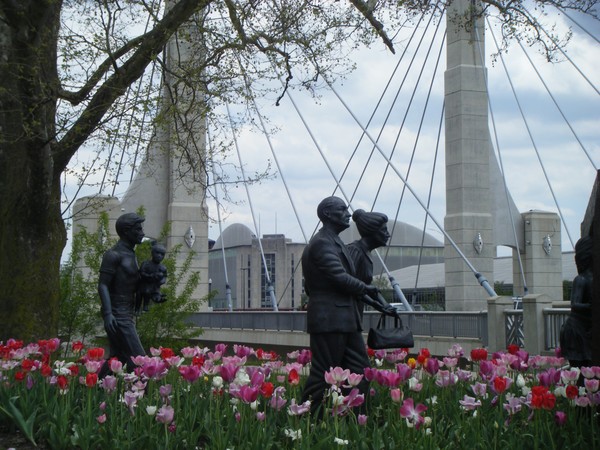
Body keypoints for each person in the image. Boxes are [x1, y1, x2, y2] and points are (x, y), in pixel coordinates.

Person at [300, 196, 381, 416]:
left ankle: (355, 418)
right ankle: (307, 417)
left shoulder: (335, 243)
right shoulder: (321, 244)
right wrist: (367, 289)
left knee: (360, 372)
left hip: (344, 319)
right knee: (324, 373)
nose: (348, 213)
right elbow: (339, 277)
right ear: (327, 214)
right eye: (342, 209)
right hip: (330, 319)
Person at [98, 212, 146, 377]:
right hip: (118, 313)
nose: (142, 233)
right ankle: (146, 393)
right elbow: (103, 285)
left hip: (127, 310)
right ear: (127, 231)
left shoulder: (131, 254)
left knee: (118, 357)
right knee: (139, 358)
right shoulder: (113, 255)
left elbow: (131, 283)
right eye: (138, 230)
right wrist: (108, 313)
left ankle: (93, 388)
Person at [347, 209, 397, 318]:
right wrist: (377, 305)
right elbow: (351, 284)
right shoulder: (355, 251)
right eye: (384, 230)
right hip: (347, 315)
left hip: (355, 314)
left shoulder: (366, 253)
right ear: (372, 231)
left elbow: (368, 288)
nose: (388, 235)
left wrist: (385, 305)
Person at [560, 236, 593, 368]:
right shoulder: (580, 279)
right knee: (579, 368)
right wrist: (591, 307)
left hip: (585, 329)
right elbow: (574, 304)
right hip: (575, 331)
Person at [137, 241, 168, 314]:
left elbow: (164, 277)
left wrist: (161, 281)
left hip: (154, 285)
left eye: (162, 254)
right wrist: (150, 276)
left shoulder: (163, 267)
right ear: (152, 253)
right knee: (143, 293)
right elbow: (141, 272)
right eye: (157, 253)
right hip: (144, 284)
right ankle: (139, 308)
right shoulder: (146, 264)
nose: (160, 256)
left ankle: (157, 298)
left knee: (155, 292)